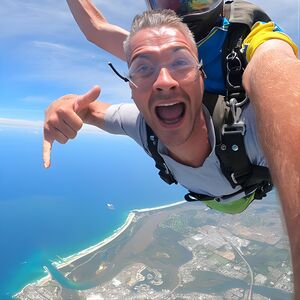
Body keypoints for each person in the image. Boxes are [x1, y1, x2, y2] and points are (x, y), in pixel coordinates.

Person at [43, 8, 300, 295]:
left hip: (245, 187)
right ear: (130, 88)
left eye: (180, 62)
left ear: (202, 76)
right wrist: (62, 105)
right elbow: (88, 108)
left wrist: (274, 66)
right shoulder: (142, 127)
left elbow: (285, 101)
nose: (164, 81)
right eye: (143, 68)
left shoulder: (250, 129)